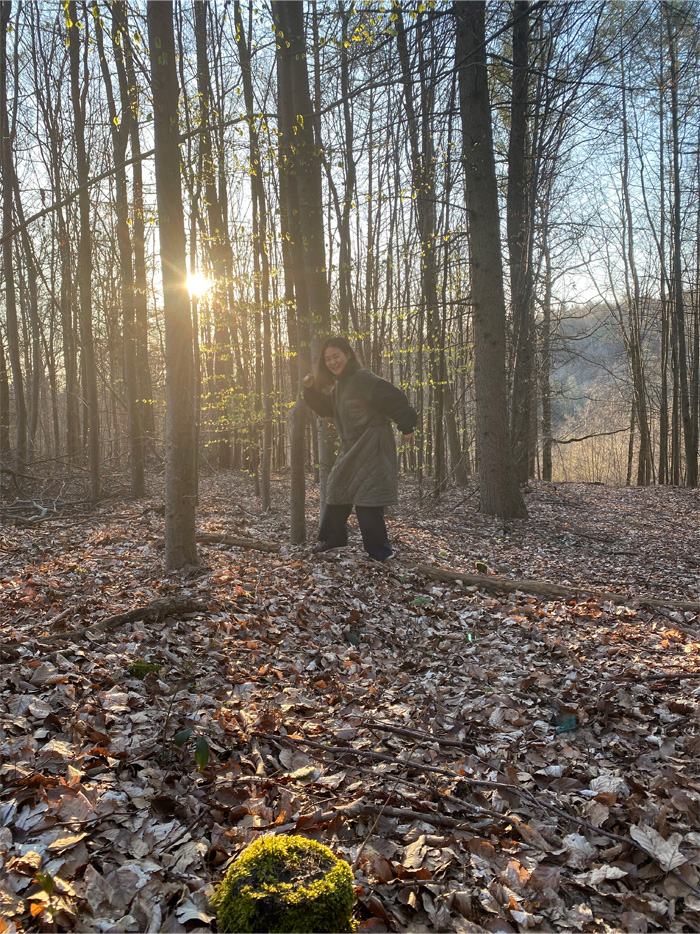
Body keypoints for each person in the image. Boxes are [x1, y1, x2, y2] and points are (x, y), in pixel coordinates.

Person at [302, 337, 417, 561]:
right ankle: (336, 539)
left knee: (368, 498)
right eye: (328, 359)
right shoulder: (339, 386)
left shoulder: (362, 378)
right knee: (337, 486)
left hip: (373, 444)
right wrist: (310, 391)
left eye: (336, 356)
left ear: (348, 355)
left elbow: (393, 398)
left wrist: (406, 425)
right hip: (352, 447)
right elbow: (327, 409)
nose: (333, 362)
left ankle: (379, 554)